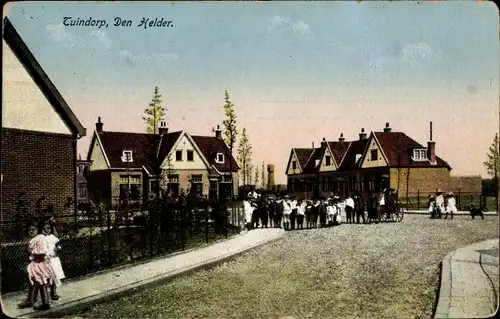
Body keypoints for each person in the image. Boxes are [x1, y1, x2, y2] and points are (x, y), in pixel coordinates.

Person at [18, 219, 55, 311]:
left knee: (40, 283)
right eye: (29, 230)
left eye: (33, 229)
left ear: (37, 229)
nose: (31, 231)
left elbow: (42, 253)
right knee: (35, 282)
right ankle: (31, 300)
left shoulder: (40, 238)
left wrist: (32, 253)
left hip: (39, 264)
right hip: (36, 263)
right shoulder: (35, 239)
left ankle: (44, 303)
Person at [42, 218, 65, 301]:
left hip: (53, 259)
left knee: (54, 276)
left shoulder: (53, 237)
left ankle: (53, 292)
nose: (46, 230)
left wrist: (57, 249)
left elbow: (59, 245)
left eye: (48, 228)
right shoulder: (41, 238)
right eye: (44, 229)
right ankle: (45, 294)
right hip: (44, 260)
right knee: (45, 277)